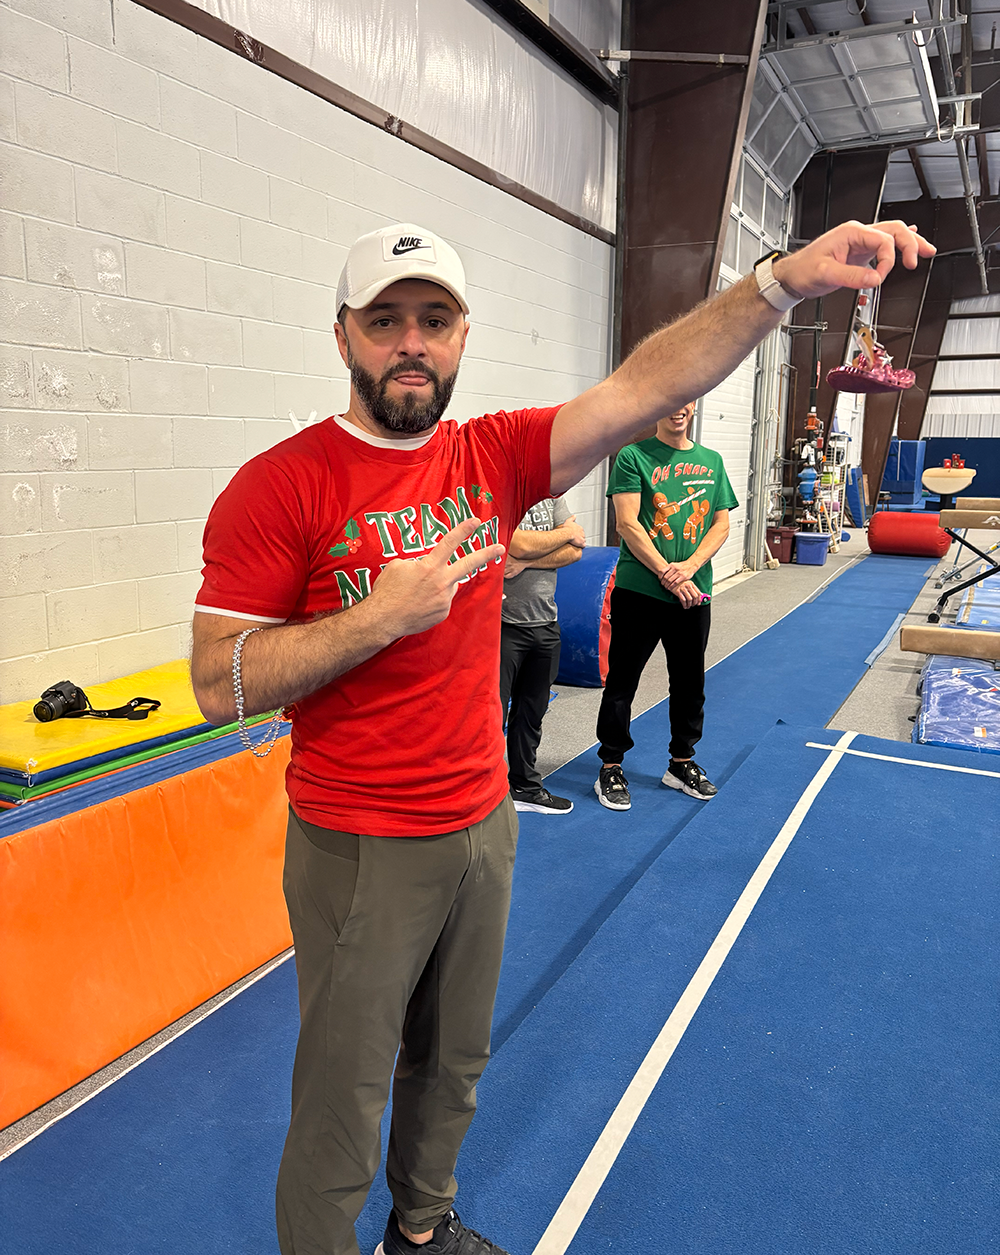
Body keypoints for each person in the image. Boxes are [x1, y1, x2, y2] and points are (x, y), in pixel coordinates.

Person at [189, 219, 935, 1255]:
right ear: (344, 334)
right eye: (385, 320)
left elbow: (644, 384)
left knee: (454, 1062)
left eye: (434, 319)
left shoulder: (490, 455)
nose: (411, 342)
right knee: (343, 1094)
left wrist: (779, 285)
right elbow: (216, 683)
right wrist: (376, 618)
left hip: (481, 823)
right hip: (360, 840)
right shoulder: (283, 483)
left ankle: (420, 1229)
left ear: (461, 336)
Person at [594, 402, 737, 812]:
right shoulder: (632, 456)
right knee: (622, 682)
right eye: (671, 402)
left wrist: (689, 568)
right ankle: (610, 764)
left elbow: (721, 524)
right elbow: (627, 524)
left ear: (694, 407)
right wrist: (668, 574)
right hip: (640, 591)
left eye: (686, 401)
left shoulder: (712, 461)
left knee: (690, 682)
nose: (679, 409)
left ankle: (681, 763)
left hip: (694, 592)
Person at [499, 498, 585, 813]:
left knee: (531, 713)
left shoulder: (553, 499)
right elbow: (518, 544)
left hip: (546, 622)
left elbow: (575, 550)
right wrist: (565, 533)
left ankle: (525, 787)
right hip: (502, 624)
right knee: (492, 715)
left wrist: (525, 563)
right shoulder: (504, 495)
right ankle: (487, 792)